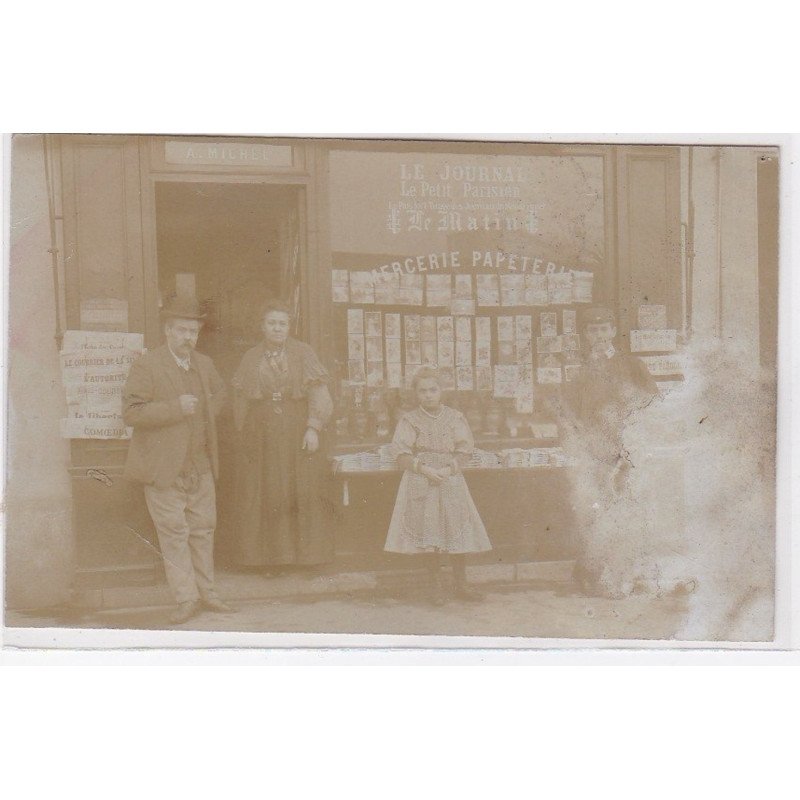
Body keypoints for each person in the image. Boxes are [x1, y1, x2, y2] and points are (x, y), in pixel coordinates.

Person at [122, 296, 231, 624]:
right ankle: (186, 599)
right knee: (174, 535)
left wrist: (206, 409)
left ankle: (208, 595)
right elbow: (130, 412)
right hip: (163, 470)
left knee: (203, 531)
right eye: (182, 330)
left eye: (193, 331)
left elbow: (221, 394)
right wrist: (175, 408)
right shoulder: (148, 365)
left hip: (200, 466)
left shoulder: (204, 364)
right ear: (168, 331)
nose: (188, 337)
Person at [562, 306, 659, 597]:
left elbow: (652, 399)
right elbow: (570, 411)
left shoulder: (631, 365)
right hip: (594, 451)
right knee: (596, 511)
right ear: (586, 335)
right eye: (593, 331)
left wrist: (637, 435)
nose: (600, 336)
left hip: (627, 448)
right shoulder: (580, 370)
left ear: (613, 332)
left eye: (604, 329)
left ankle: (624, 575)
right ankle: (589, 574)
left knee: (625, 510)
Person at [231, 299, 334, 567]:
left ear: (289, 327)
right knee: (266, 492)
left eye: (282, 323)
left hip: (296, 427)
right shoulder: (251, 356)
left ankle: (307, 558)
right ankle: (271, 560)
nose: (277, 328)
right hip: (262, 430)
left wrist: (313, 428)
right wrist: (243, 432)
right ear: (262, 327)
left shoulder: (303, 352)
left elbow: (319, 393)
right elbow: (240, 399)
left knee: (300, 490)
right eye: (271, 323)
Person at [385, 367, 492, 605]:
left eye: (433, 390)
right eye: (422, 391)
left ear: (441, 391)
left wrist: (447, 469)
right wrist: (423, 469)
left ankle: (461, 584)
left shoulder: (455, 417)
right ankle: (435, 586)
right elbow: (400, 452)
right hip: (421, 478)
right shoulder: (409, 420)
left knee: (456, 529)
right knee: (429, 532)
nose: (428, 395)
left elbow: (466, 449)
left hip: (449, 477)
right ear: (415, 393)